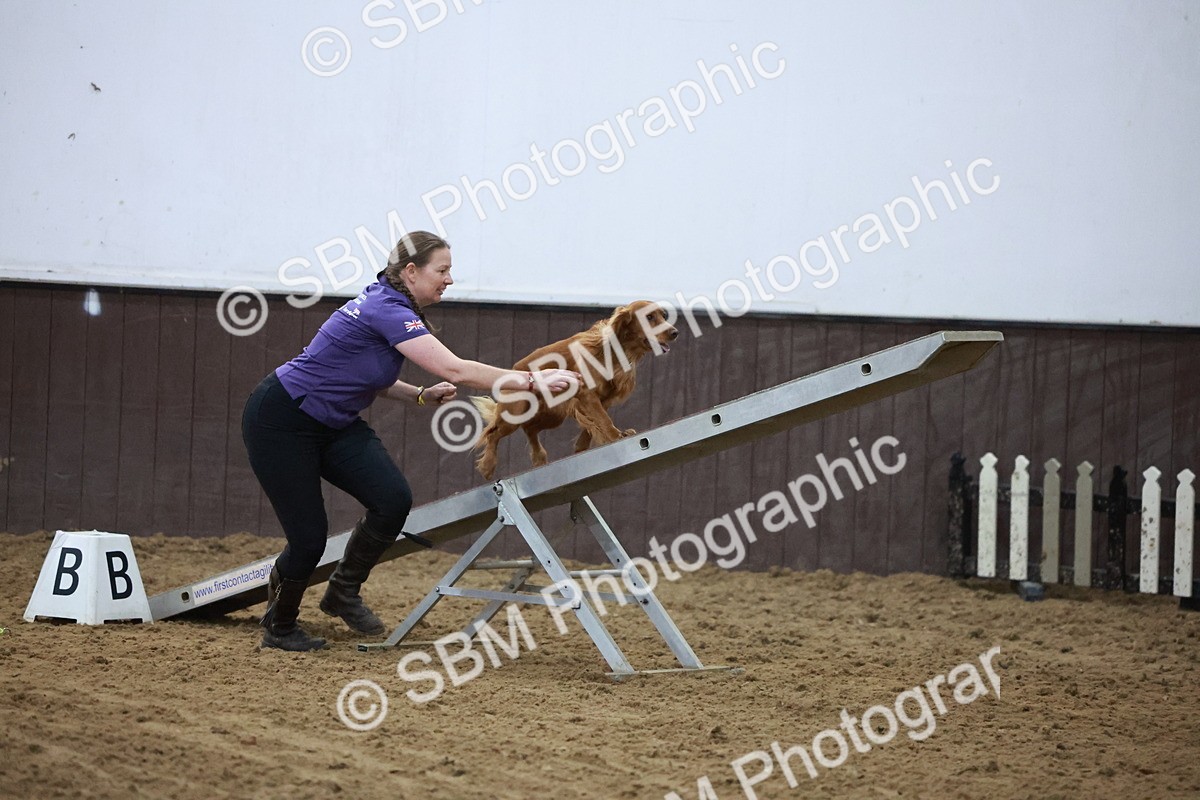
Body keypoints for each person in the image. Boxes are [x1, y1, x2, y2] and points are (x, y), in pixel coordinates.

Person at [242, 231, 580, 651]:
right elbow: (457, 371)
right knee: (309, 538)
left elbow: (370, 377)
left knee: (392, 499)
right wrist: (533, 379)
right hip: (282, 420)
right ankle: (281, 626)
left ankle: (342, 591)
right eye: (443, 270)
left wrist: (418, 395)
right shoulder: (386, 308)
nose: (449, 279)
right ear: (411, 271)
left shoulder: (390, 304)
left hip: (332, 422)